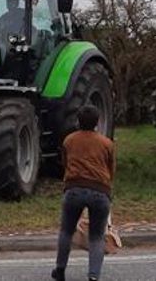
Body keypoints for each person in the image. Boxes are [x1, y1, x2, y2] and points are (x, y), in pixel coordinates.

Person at [53, 105, 116, 281]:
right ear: (97, 122)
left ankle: (60, 270)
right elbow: (111, 170)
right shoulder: (107, 143)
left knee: (66, 231)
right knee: (96, 236)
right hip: (100, 191)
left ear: (78, 121)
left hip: (74, 189)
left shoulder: (69, 140)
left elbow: (65, 164)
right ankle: (93, 275)